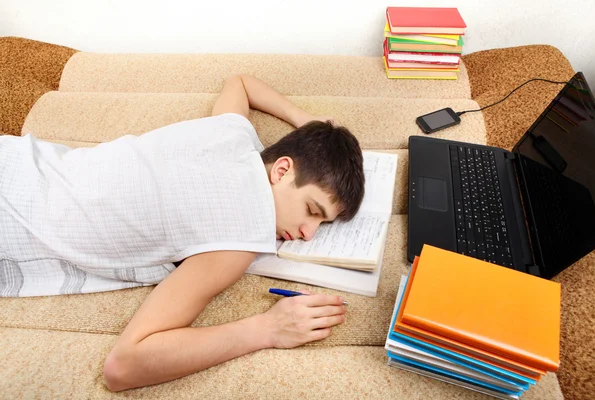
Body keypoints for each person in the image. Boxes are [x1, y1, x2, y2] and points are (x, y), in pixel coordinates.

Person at [0, 74, 365, 391]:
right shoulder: (241, 234)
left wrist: (306, 123)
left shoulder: (232, 133)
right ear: (282, 170)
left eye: (322, 223)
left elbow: (240, 82)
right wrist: (268, 329)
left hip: (19, 158)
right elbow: (123, 366)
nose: (308, 233)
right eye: (311, 210)